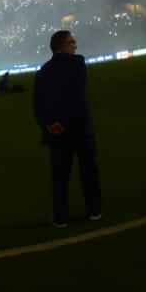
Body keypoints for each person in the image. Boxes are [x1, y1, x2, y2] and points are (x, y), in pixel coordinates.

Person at [33, 30, 102, 228]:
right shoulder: (77, 63)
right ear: (62, 46)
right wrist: (61, 121)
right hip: (80, 129)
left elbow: (38, 105)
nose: (75, 46)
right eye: (72, 42)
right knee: (89, 172)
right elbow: (76, 97)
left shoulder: (43, 71)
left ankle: (61, 217)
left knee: (60, 179)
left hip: (57, 134)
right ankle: (95, 210)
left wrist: (49, 124)